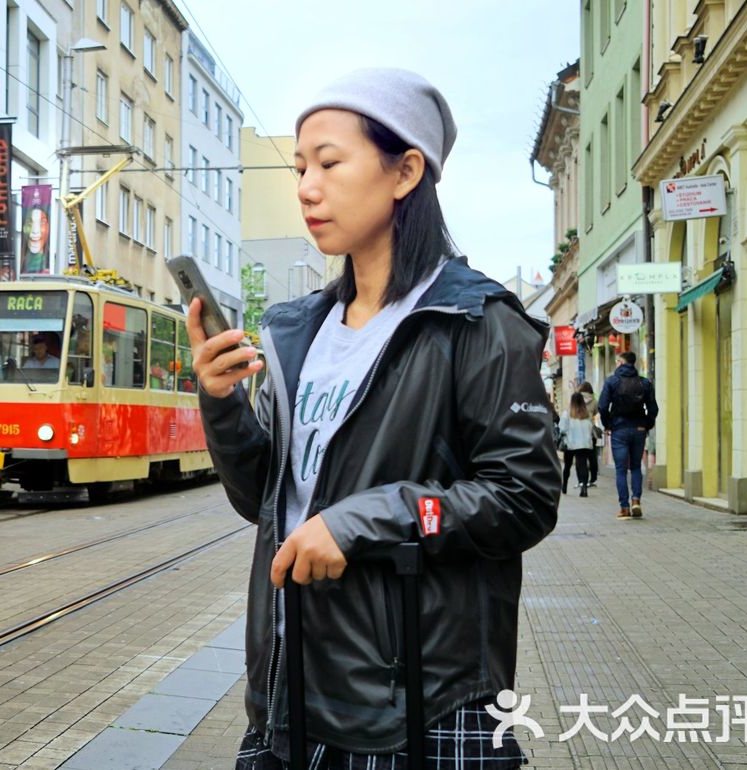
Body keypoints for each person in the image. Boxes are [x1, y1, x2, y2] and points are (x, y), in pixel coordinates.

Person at [189, 68, 559, 769]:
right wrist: (223, 404)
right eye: (300, 167)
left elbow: (524, 499)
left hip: (420, 703)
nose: (305, 186)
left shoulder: (475, 321)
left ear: (405, 171)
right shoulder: (297, 331)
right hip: (288, 692)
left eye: (329, 162)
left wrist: (366, 519)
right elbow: (264, 501)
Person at [598, 351, 659, 519]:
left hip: (619, 429)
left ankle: (624, 507)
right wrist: (646, 424)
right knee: (636, 467)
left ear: (620, 363)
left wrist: (608, 424)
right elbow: (653, 409)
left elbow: (602, 406)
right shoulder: (644, 383)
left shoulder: (612, 382)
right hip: (639, 429)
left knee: (621, 470)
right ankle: (636, 501)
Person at [559, 392, 596, 496]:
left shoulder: (567, 413)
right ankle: (584, 488)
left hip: (570, 443)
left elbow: (562, 428)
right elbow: (590, 428)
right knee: (582, 465)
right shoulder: (587, 414)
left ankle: (564, 486)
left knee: (567, 465)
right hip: (584, 444)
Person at [578, 380, 601, 487]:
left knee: (580, 457)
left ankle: (582, 480)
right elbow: (596, 412)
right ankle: (593, 479)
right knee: (592, 456)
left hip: (578, 431)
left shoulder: (576, 399)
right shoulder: (594, 401)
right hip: (590, 432)